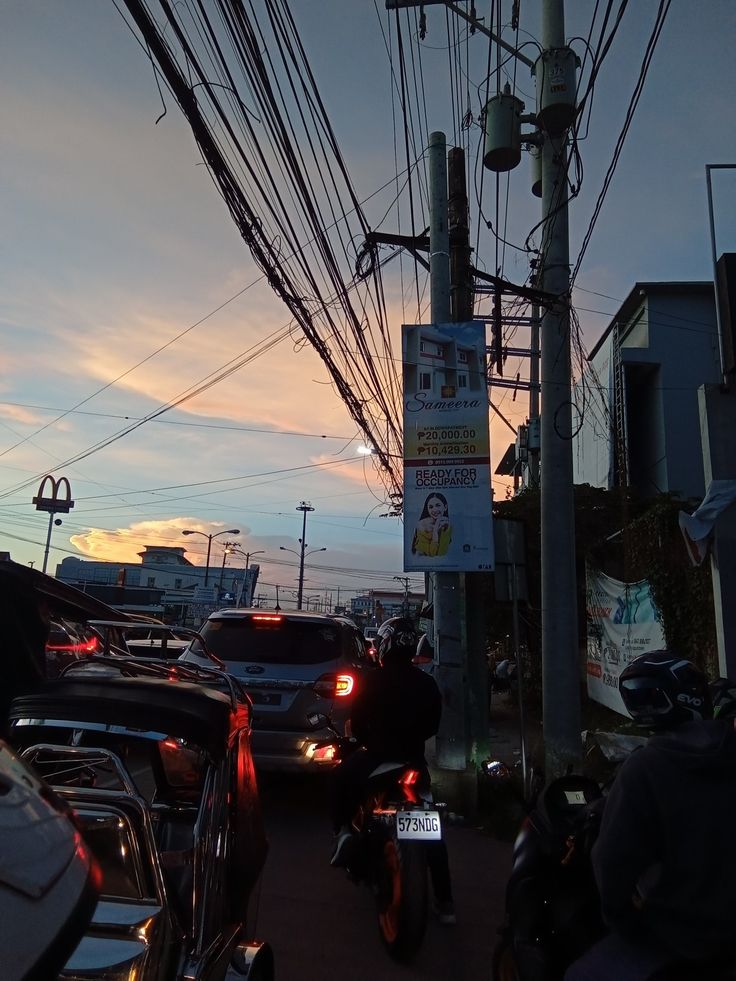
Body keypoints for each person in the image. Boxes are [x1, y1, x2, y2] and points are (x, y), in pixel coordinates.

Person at [565, 650, 736, 981]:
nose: (640, 707)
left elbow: (611, 864)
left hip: (678, 940)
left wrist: (624, 922)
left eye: (646, 696)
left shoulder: (646, 768)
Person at [329, 616, 456, 924]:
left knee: (339, 779)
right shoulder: (427, 683)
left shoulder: (372, 680)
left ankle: (344, 832)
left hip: (377, 758)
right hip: (414, 762)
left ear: (385, 645)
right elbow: (432, 726)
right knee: (432, 829)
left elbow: (357, 724)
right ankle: (445, 901)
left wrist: (366, 740)